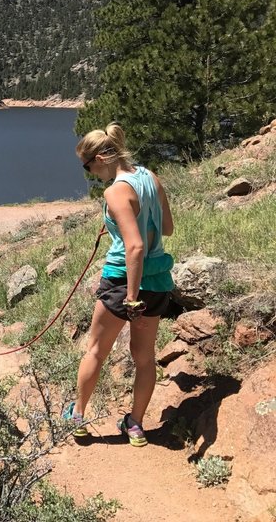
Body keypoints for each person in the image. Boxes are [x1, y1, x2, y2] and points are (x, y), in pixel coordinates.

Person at [63, 123, 174, 447]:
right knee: (144, 356)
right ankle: (136, 425)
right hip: (157, 282)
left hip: (123, 282)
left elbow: (135, 246)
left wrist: (130, 296)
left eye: (88, 167)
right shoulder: (150, 177)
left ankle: (78, 417)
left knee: (96, 350)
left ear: (100, 157)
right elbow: (166, 228)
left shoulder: (115, 191)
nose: (90, 174)